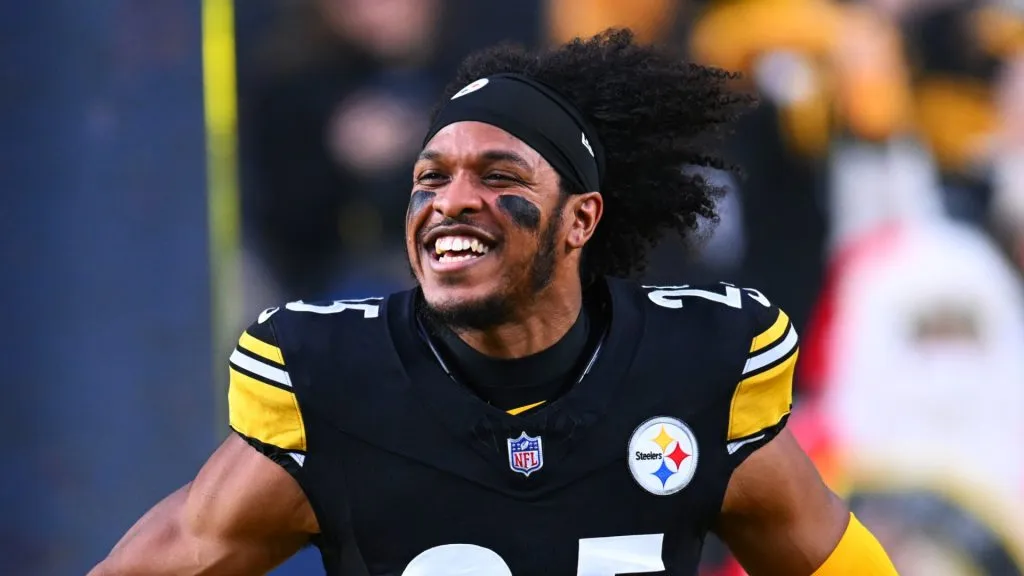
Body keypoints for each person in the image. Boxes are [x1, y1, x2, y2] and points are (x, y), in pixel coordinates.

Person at [90, 29, 897, 575]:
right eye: (429, 178)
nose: (451, 201)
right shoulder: (336, 391)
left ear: (582, 218)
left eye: (499, 177)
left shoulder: (688, 374)